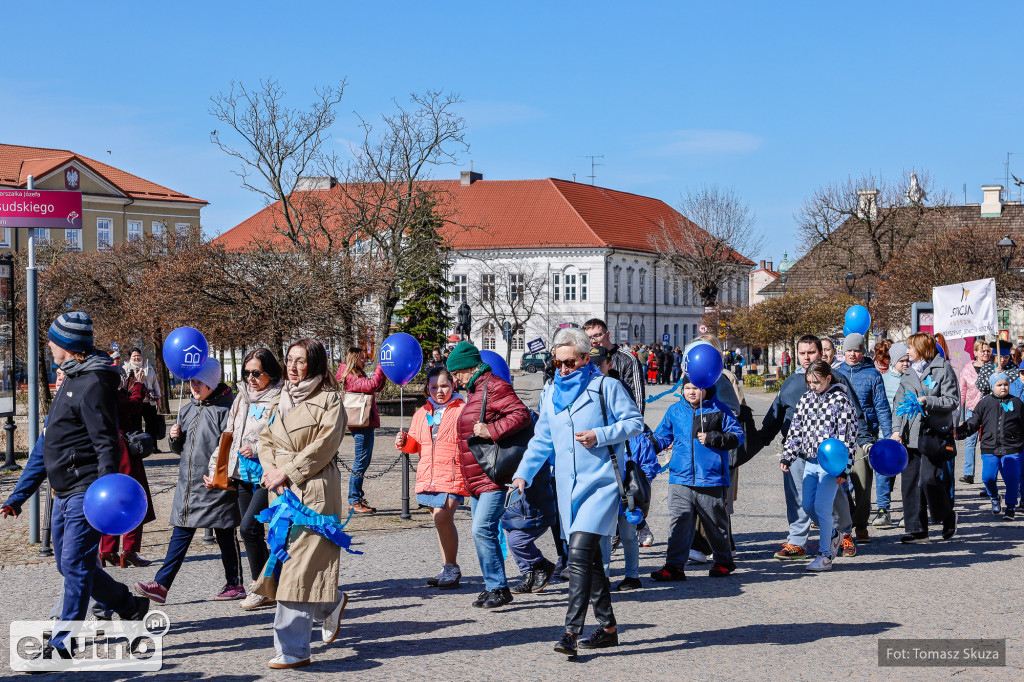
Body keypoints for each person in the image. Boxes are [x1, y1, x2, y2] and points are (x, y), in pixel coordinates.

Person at [1, 312, 149, 656]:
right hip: (63, 490)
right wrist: (19, 495)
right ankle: (129, 607)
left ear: (67, 345)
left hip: (85, 491)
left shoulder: (93, 383)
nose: (48, 345)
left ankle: (62, 641)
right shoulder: (71, 377)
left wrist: (104, 496)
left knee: (78, 566)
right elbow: (46, 442)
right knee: (66, 564)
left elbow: (105, 444)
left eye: (53, 340)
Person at [512, 328, 643, 656]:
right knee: (592, 559)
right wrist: (523, 473)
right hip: (567, 489)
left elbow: (635, 423)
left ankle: (570, 632)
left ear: (587, 358)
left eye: (571, 362)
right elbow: (542, 438)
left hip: (602, 485)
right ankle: (609, 628)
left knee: (580, 553)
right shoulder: (550, 392)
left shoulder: (606, 387)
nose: (564, 369)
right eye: (558, 362)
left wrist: (600, 434)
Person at [252, 338, 349, 670]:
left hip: (313, 492)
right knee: (291, 562)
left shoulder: (329, 400)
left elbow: (324, 447)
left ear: (316, 365)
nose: (292, 368)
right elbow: (265, 438)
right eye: (289, 360)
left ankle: (293, 649)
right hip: (279, 492)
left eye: (300, 361)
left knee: (296, 569)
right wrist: (269, 469)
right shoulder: (281, 397)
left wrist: (287, 471)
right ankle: (330, 604)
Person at [134, 358, 242, 605]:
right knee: (181, 533)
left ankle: (235, 583)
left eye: (199, 382)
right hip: (188, 485)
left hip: (215, 485)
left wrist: (220, 476)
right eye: (192, 381)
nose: (194, 386)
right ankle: (161, 586)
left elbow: (229, 448)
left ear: (211, 384)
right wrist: (174, 438)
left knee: (225, 533)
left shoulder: (227, 412)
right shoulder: (187, 409)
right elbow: (181, 449)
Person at [754, 334, 862, 560]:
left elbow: (853, 419)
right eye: (802, 353)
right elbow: (777, 415)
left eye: (810, 352)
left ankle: (844, 533)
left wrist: (861, 446)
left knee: (836, 496)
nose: (806, 357)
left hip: (829, 455)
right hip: (798, 450)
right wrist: (759, 440)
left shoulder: (837, 381)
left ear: (821, 353)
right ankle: (797, 541)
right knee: (798, 497)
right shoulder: (792, 383)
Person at [447, 341, 532, 609]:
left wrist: (491, 431)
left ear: (468, 368)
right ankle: (492, 585)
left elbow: (521, 414)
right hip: (478, 475)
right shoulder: (477, 389)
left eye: (456, 373)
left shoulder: (494, 386)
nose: (455, 379)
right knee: (483, 531)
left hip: (493, 474)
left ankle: (498, 587)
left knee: (482, 528)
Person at [650, 374, 743, 581]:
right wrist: (651, 445)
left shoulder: (720, 410)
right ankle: (674, 566)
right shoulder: (675, 410)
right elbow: (662, 435)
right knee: (679, 522)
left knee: (714, 523)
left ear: (707, 388)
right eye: (687, 388)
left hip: (710, 478)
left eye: (696, 387)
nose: (691, 392)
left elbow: (737, 436)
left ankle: (724, 561)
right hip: (679, 477)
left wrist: (713, 438)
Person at [213, 348, 282, 611]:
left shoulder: (279, 398)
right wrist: (216, 468)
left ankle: (263, 587)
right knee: (251, 532)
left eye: (257, 373)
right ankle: (266, 586)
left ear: (270, 373)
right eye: (246, 373)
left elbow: (282, 436)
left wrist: (257, 448)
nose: (250, 378)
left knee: (249, 529)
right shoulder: (241, 398)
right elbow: (228, 435)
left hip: (269, 473)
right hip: (242, 473)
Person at [591, 345, 662, 591]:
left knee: (628, 534)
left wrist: (641, 478)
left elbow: (646, 453)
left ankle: (632, 575)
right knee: (602, 534)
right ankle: (604, 577)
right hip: (601, 479)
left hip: (624, 483)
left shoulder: (622, 401)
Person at [396, 365, 470, 590]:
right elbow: (414, 445)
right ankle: (447, 567)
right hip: (429, 475)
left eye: (444, 385)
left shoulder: (463, 409)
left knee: (442, 517)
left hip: (454, 473)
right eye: (434, 386)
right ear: (427, 388)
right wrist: (403, 441)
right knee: (441, 523)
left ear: (453, 384)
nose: (439, 390)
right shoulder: (422, 413)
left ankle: (453, 568)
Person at [780, 360, 857, 572]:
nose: (813, 386)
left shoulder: (841, 401)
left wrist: (844, 468)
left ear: (828, 378)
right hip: (809, 461)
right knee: (807, 505)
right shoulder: (805, 399)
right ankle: (833, 534)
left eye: (817, 382)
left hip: (830, 465)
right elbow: (796, 429)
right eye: (809, 382)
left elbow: (847, 437)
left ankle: (825, 556)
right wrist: (788, 456)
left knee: (823, 508)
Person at [890, 333, 959, 544]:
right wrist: (896, 431)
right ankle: (917, 529)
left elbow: (953, 400)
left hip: (933, 434)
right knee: (910, 483)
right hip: (910, 435)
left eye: (910, 347)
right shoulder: (908, 373)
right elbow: (898, 406)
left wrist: (927, 400)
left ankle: (947, 516)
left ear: (921, 348)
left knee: (929, 479)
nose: (907, 352)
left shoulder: (943, 368)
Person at [833, 332, 892, 545]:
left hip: (863, 436)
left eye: (857, 350)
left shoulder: (873, 375)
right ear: (843, 351)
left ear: (863, 351)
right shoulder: (835, 373)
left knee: (863, 483)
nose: (852, 354)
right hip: (838, 436)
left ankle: (861, 524)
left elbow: (882, 407)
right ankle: (846, 521)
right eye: (849, 350)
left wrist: (889, 435)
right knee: (840, 482)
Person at [99, 363, 157, 568]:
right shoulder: (116, 395)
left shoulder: (98, 395)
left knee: (110, 501)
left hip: (105, 451)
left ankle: (107, 549)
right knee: (133, 498)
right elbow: (133, 404)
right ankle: (129, 550)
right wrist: (139, 384)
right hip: (123, 451)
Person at [956, 373, 1022, 519]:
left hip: (1012, 446)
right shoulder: (985, 403)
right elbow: (973, 422)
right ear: (993, 387)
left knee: (1012, 478)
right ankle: (994, 497)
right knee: (988, 477)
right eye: (999, 385)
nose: (1003, 387)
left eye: (1005, 384)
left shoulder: (1017, 403)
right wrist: (959, 432)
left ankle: (1010, 507)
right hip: (989, 446)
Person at [336, 346, 388, 515]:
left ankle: (357, 497)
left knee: (363, 462)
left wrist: (385, 371)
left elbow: (376, 387)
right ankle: (354, 500)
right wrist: (382, 364)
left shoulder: (356, 375)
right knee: (360, 462)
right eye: (362, 358)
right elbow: (372, 385)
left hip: (365, 424)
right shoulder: (350, 377)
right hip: (361, 425)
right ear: (354, 359)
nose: (364, 360)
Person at [874, 342, 909, 527]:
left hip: (907, 437)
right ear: (894, 361)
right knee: (883, 475)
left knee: (907, 476)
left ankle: (907, 511)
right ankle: (883, 509)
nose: (906, 364)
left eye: (908, 360)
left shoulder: (912, 380)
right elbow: (880, 408)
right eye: (902, 360)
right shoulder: (883, 380)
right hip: (886, 436)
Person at [584, 318, 646, 414]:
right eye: (589, 337)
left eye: (597, 335)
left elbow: (637, 397)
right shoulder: (584, 359)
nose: (593, 341)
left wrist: (634, 423)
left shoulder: (628, 359)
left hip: (619, 418)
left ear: (608, 335)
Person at [959, 339, 992, 484]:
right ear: (976, 352)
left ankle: (988, 477)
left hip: (990, 410)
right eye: (983, 351)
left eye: (988, 351)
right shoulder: (967, 370)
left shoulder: (993, 368)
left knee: (988, 443)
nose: (986, 353)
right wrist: (956, 411)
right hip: (972, 409)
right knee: (970, 441)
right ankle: (968, 473)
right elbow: (962, 391)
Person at [125, 347, 165, 450]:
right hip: (135, 400)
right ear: (130, 357)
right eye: (134, 356)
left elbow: (155, 382)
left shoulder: (148, 366)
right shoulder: (126, 368)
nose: (137, 358)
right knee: (136, 425)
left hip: (149, 400)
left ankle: (152, 447)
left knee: (151, 425)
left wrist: (158, 396)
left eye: (138, 355)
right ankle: (138, 447)